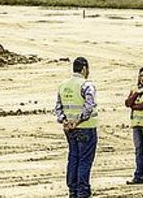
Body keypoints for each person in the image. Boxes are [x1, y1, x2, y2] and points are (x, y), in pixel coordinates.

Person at [55, 57, 98, 198]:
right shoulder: (86, 85)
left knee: (73, 158)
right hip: (86, 128)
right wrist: (77, 121)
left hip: (70, 130)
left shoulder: (63, 85)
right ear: (84, 68)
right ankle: (82, 191)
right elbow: (89, 107)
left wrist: (65, 121)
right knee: (84, 160)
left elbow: (58, 108)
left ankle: (72, 190)